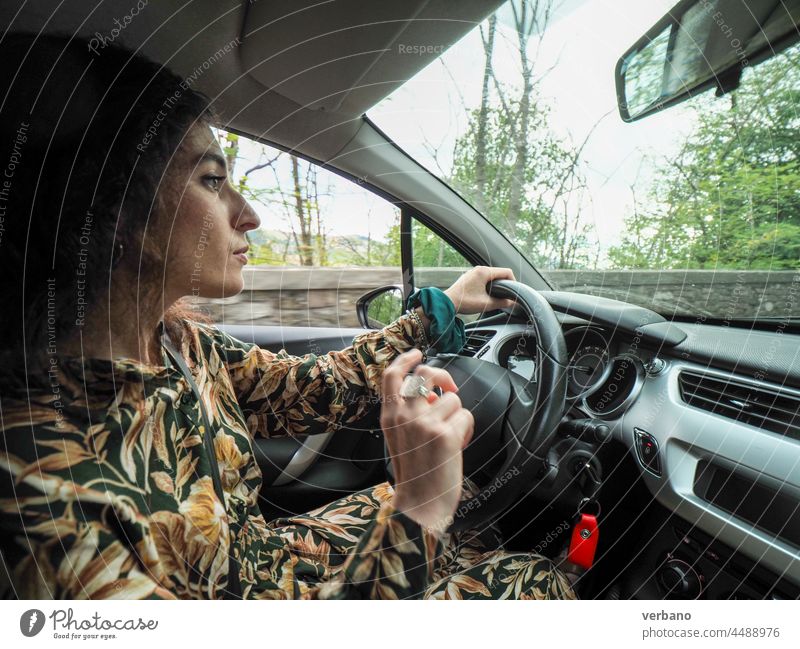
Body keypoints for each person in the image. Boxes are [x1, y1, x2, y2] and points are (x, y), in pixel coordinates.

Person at [0, 34, 575, 600]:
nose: (247, 215)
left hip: (260, 567)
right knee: (529, 581)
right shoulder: (43, 486)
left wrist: (441, 308)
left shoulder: (177, 344)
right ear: (112, 212)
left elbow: (307, 388)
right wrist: (419, 510)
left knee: (475, 516)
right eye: (211, 180)